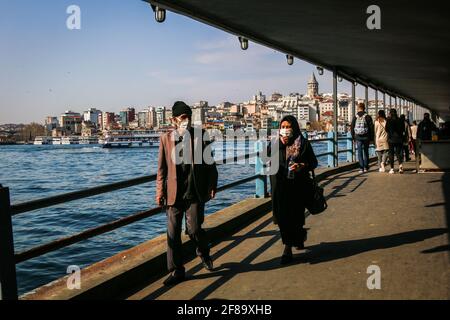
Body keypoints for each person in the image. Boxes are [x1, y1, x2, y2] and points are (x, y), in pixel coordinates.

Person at [156, 101, 218, 286]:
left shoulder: (200, 136)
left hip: (194, 192)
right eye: (183, 117)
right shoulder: (165, 139)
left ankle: (204, 251)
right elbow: (161, 169)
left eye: (189, 117)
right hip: (173, 194)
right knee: (173, 235)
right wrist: (159, 191)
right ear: (174, 120)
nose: (187, 121)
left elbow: (210, 165)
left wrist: (213, 184)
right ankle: (177, 271)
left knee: (195, 229)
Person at [269, 115, 318, 265]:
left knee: (295, 216)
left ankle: (288, 248)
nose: (285, 130)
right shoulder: (275, 142)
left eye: (288, 127)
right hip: (279, 186)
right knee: (282, 218)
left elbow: (313, 162)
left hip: (297, 186)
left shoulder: (302, 143)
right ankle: (295, 239)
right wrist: (280, 143)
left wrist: (302, 166)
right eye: (282, 127)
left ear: (294, 128)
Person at [351, 102, 374, 173]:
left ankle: (361, 168)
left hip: (358, 137)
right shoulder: (368, 116)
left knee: (360, 152)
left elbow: (352, 127)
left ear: (358, 108)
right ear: (364, 108)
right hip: (366, 137)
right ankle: (366, 167)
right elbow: (371, 128)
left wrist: (353, 137)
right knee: (366, 152)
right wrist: (371, 138)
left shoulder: (355, 117)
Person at [386, 109, 406, 174]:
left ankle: (392, 169)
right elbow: (403, 129)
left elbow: (386, 129)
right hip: (399, 139)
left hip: (391, 139)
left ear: (390, 113)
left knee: (391, 154)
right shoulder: (400, 120)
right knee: (398, 153)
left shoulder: (389, 120)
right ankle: (400, 166)